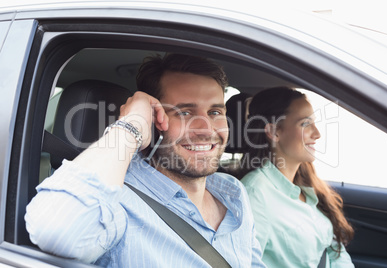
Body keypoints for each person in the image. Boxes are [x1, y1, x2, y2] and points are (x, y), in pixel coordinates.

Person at [25, 54, 265, 267]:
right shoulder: (116, 200)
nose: (205, 129)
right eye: (184, 112)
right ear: (153, 120)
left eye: (215, 112)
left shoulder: (232, 191)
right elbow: (55, 232)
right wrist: (131, 125)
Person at [240, 87, 354, 267]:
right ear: (274, 132)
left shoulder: (306, 185)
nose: (317, 134)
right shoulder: (255, 194)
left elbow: (336, 252)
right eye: (305, 124)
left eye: (314, 123)